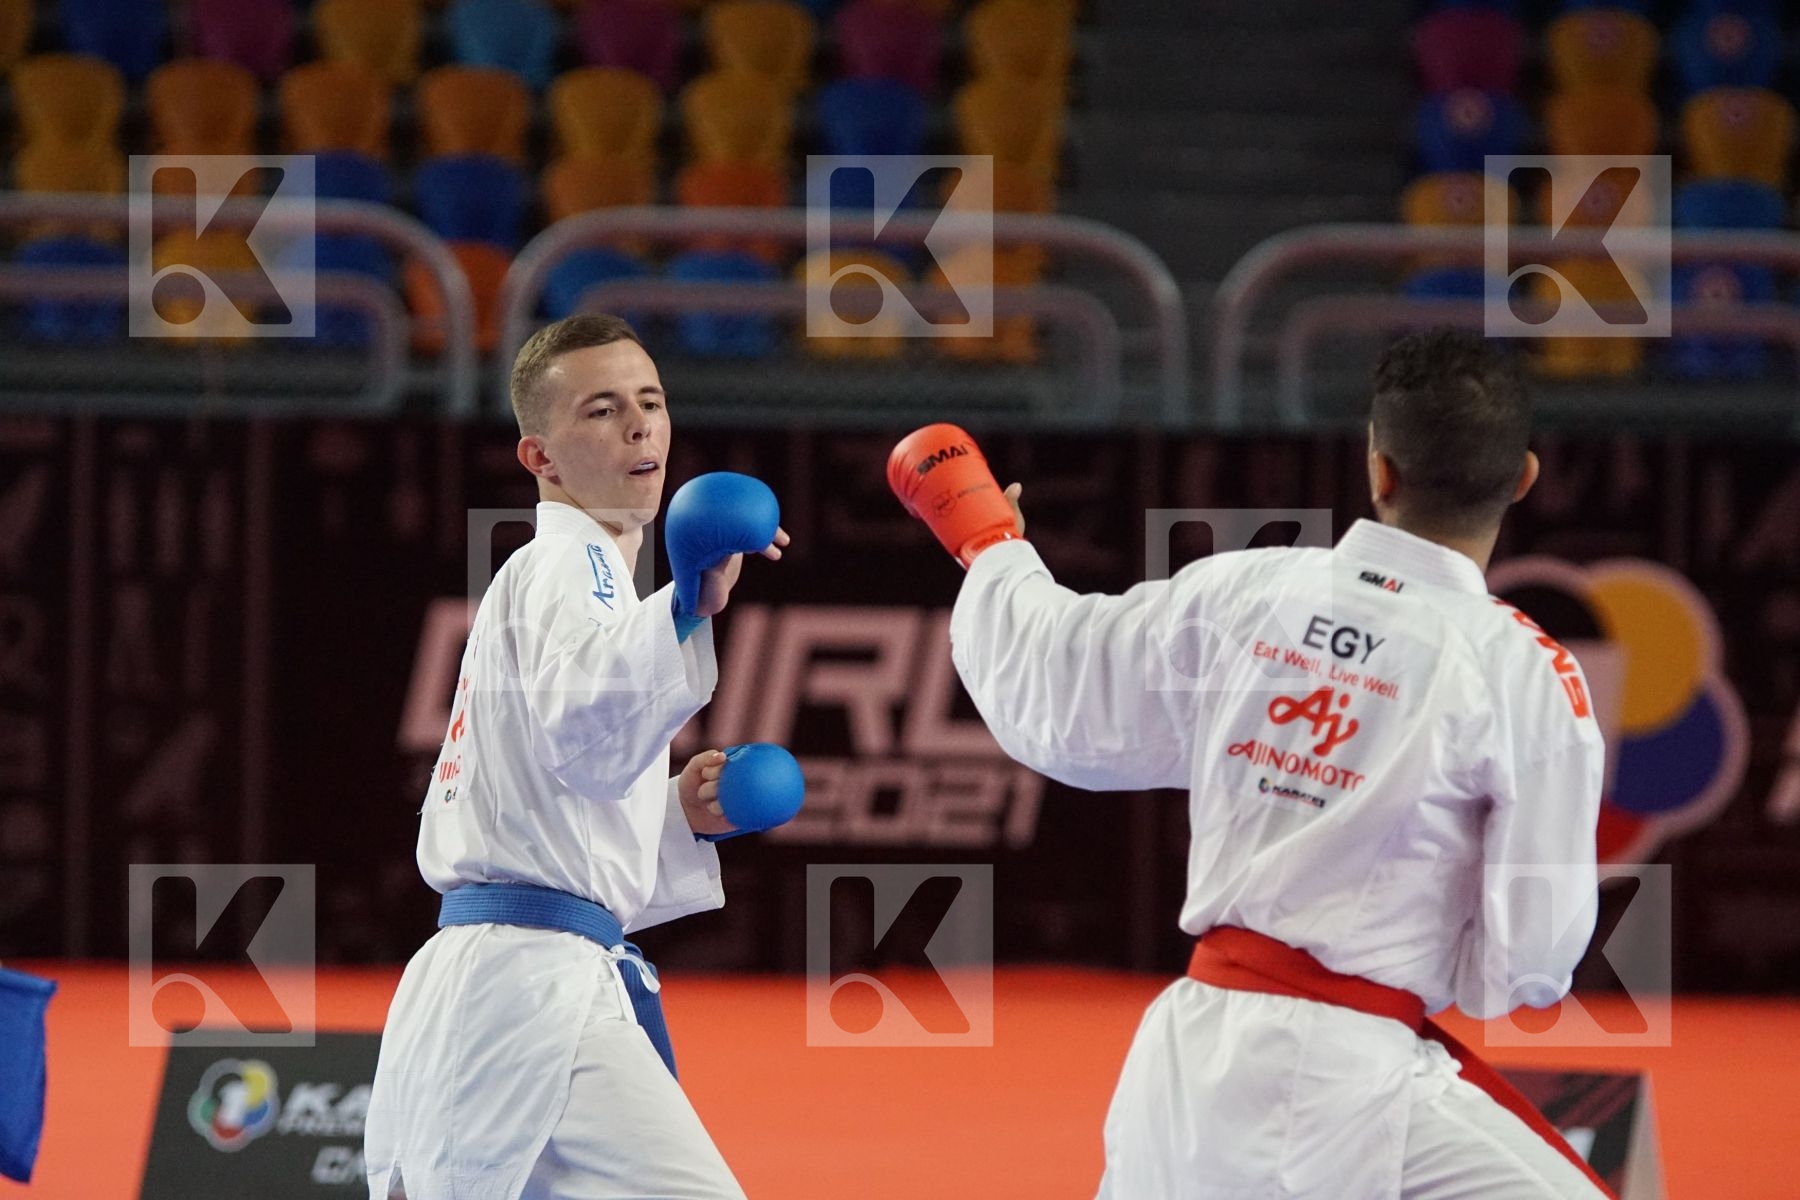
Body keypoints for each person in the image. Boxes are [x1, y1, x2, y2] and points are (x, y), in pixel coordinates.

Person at [889, 328, 1613, 1199]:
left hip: (1197, 1061)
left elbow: (1058, 679)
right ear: (1524, 478)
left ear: (1377, 466)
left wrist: (989, 540)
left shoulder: (1249, 590)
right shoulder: (1529, 674)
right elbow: (1530, 962)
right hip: (1354, 1073)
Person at [365, 313, 788, 1200]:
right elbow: (580, 733)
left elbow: (559, 793)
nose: (639, 426)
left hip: (518, 980)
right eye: (601, 410)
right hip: (522, 989)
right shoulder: (570, 564)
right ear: (541, 459)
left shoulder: (581, 586)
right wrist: (686, 605)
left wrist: (679, 815)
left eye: (650, 402)